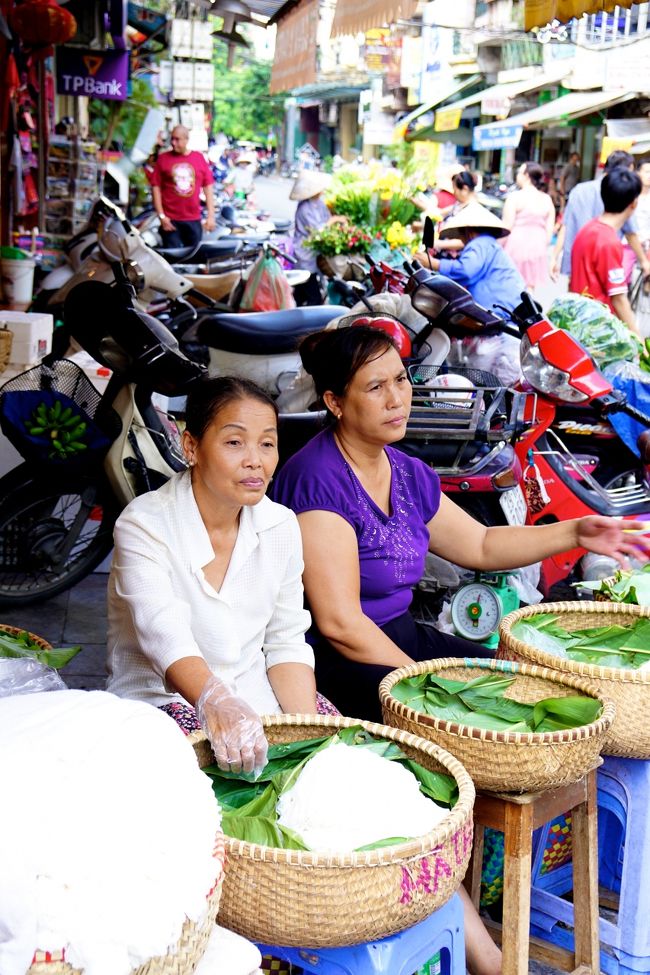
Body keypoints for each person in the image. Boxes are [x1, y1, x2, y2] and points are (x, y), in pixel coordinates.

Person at [271, 326, 649, 975]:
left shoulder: (405, 472)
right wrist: (432, 685)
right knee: (450, 737)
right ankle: (478, 937)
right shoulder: (317, 479)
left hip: (397, 639)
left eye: (400, 379)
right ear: (334, 401)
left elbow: (480, 546)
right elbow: (339, 622)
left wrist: (576, 531)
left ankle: (491, 884)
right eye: (375, 387)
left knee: (513, 687)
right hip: (331, 661)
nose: (397, 398)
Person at [106, 376, 322, 775]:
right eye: (234, 442)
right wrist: (216, 702)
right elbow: (164, 633)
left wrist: (306, 734)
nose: (255, 460)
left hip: (256, 693)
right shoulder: (144, 525)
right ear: (191, 447)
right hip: (163, 702)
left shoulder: (281, 525)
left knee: (332, 768)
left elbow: (286, 640)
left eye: (267, 443)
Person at [551, 150, 650, 281]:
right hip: (605, 261)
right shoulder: (621, 192)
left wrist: (554, 257)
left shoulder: (579, 190)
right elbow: (630, 232)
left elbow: (566, 226)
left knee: (578, 293)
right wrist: (644, 261)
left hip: (577, 260)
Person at [570, 167, 642, 334]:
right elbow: (619, 298)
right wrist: (638, 339)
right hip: (596, 328)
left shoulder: (588, 229)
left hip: (578, 320)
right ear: (633, 204)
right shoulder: (608, 241)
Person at [150, 125, 215, 250]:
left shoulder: (198, 158)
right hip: (171, 221)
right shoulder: (163, 159)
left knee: (194, 256)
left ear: (186, 140)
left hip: (193, 219)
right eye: (172, 139)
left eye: (177, 139)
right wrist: (161, 216)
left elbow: (208, 187)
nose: (173, 143)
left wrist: (211, 216)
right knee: (173, 256)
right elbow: (155, 188)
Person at [501, 161, 556, 290]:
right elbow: (549, 232)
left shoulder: (515, 197)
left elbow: (506, 227)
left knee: (511, 287)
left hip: (515, 246)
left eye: (519, 172)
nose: (517, 175)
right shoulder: (546, 199)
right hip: (537, 247)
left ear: (526, 175)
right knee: (529, 288)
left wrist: (497, 247)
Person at [290, 169, 333, 306]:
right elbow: (317, 231)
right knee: (314, 297)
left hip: (312, 253)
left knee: (300, 294)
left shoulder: (319, 203)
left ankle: (292, 312)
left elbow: (326, 219)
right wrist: (334, 221)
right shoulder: (305, 208)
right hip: (305, 254)